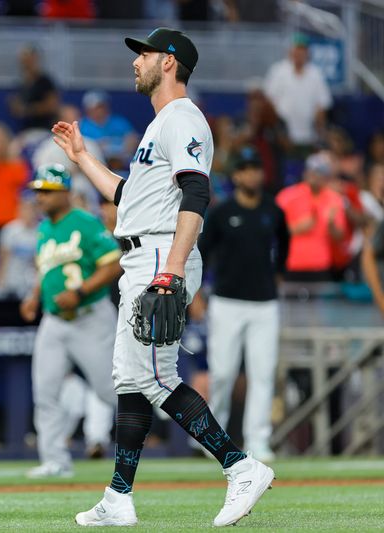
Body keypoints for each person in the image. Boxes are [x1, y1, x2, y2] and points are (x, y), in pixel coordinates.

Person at [52, 27, 275, 527]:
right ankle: (118, 497)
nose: (136, 62)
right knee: (130, 381)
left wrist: (172, 269)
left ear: (169, 62)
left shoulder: (183, 118)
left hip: (160, 254)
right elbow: (126, 197)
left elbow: (197, 193)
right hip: (142, 253)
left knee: (154, 377)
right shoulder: (160, 124)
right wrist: (83, 157)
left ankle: (240, 465)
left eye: (145, 53)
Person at [19, 164, 121, 478]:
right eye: (38, 191)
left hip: (90, 316)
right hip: (54, 320)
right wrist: (35, 295)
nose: (40, 197)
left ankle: (163, 427)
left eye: (47, 191)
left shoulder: (85, 222)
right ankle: (56, 460)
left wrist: (81, 291)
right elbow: (46, 269)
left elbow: (115, 262)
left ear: (65, 192)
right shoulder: (45, 228)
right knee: (45, 392)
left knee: (110, 390)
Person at [198, 146, 290, 462]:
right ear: (236, 175)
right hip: (227, 302)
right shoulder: (222, 213)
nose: (252, 174)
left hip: (265, 304)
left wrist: (278, 276)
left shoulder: (272, 210)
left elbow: (285, 244)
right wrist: (196, 295)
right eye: (246, 169)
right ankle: (215, 436)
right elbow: (202, 253)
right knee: (222, 372)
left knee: (262, 373)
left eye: (256, 168)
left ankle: (258, 439)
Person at [275, 151, 348, 281]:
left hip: (320, 265)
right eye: (313, 172)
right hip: (291, 264)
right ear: (305, 173)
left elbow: (340, 236)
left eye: (321, 173)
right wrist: (297, 228)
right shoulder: (287, 196)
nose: (316, 176)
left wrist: (331, 225)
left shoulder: (334, 199)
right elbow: (272, 230)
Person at [263, 34, 332, 154]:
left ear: (307, 53)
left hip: (309, 137)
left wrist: (319, 135)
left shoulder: (316, 74)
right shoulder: (278, 71)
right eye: (297, 49)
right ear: (290, 51)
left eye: (303, 50)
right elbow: (269, 102)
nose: (299, 53)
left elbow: (322, 105)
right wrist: (280, 133)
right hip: (282, 138)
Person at [8, 45, 60, 135]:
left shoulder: (45, 82)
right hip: (23, 131)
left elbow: (52, 106)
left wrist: (27, 110)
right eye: (24, 59)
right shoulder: (20, 83)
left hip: (43, 131)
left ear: (35, 59)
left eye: (29, 59)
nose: (26, 62)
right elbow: (14, 106)